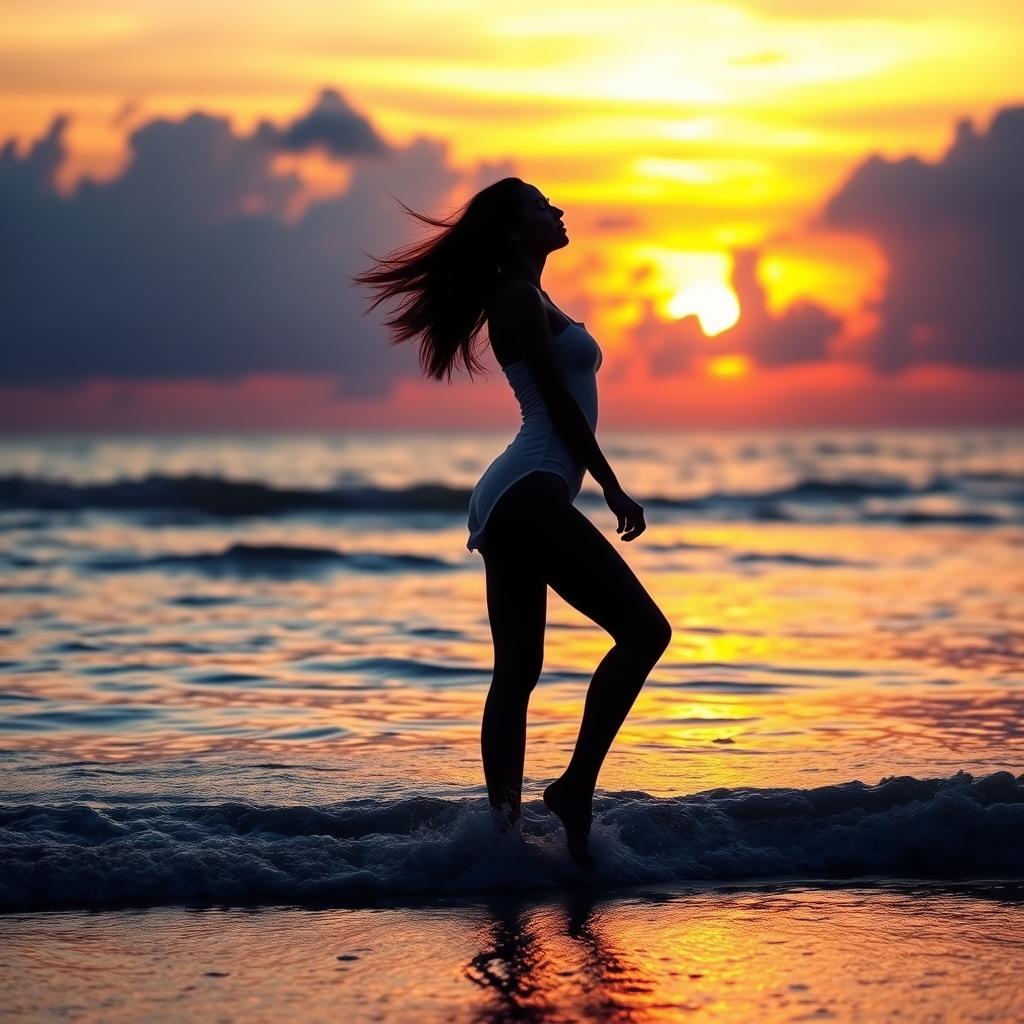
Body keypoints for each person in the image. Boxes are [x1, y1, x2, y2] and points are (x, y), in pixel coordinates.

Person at [353, 177, 672, 868]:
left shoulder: (530, 295)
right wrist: (613, 486)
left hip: (518, 493)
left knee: (518, 670)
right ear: (510, 229)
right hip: (528, 489)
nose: (556, 209)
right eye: (538, 204)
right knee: (645, 631)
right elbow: (557, 405)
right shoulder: (518, 299)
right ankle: (574, 790)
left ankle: (503, 838)